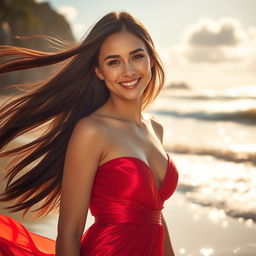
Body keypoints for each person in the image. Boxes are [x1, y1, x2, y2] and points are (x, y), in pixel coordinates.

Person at [0, 11, 179, 256]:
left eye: (136, 56)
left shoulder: (155, 128)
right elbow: (70, 232)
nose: (128, 71)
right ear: (98, 71)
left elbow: (156, 218)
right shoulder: (91, 131)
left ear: (151, 59)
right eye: (113, 61)